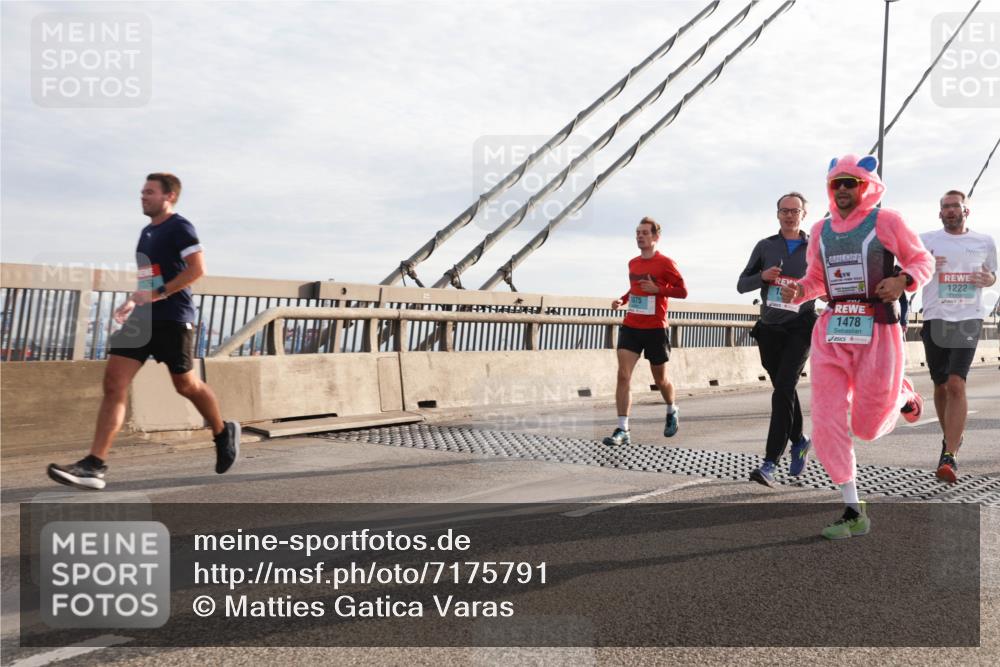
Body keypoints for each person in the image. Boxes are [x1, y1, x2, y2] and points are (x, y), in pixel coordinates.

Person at [48, 173, 240, 490]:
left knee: (186, 385)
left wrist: (159, 293)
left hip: (173, 318)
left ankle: (222, 431)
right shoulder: (146, 233)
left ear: (170, 197)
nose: (143, 196)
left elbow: (197, 269)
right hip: (143, 317)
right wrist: (132, 301)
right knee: (114, 382)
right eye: (141, 192)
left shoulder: (180, 227)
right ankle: (94, 465)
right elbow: (148, 279)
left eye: (149, 192)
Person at [781, 154, 934, 540]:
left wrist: (902, 280)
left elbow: (922, 260)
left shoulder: (887, 221)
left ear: (866, 185)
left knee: (865, 428)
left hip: (876, 329)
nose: (845, 189)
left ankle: (901, 396)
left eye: (852, 182)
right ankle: (852, 508)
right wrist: (800, 290)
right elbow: (816, 279)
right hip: (832, 330)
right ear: (830, 189)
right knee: (828, 418)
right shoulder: (819, 230)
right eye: (838, 183)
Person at [738, 192, 817, 486]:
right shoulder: (765, 246)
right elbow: (741, 284)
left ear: (803, 216)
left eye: (795, 211)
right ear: (777, 214)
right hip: (770, 329)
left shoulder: (815, 249)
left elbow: (826, 287)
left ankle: (770, 462)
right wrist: (763, 277)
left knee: (783, 388)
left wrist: (803, 291)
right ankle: (798, 439)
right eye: (784, 210)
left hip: (800, 327)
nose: (789, 215)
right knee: (784, 389)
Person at [919, 190, 997, 483]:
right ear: (940, 213)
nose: (950, 210)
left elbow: (992, 275)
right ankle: (950, 438)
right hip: (935, 316)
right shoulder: (925, 240)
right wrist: (924, 266)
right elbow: (910, 272)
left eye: (955, 206)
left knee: (956, 383)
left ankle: (949, 454)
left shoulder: (984, 241)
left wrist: (988, 279)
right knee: (940, 387)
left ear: (966, 211)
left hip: (968, 318)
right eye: (945, 207)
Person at [605, 217, 688, 446]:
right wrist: (622, 300)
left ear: (655, 237)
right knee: (623, 375)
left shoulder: (666, 263)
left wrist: (658, 289)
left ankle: (672, 408)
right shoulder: (633, 263)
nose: (640, 236)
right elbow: (634, 288)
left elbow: (682, 291)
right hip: (631, 325)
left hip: (655, 328)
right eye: (637, 233)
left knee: (660, 380)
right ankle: (623, 429)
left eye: (644, 233)